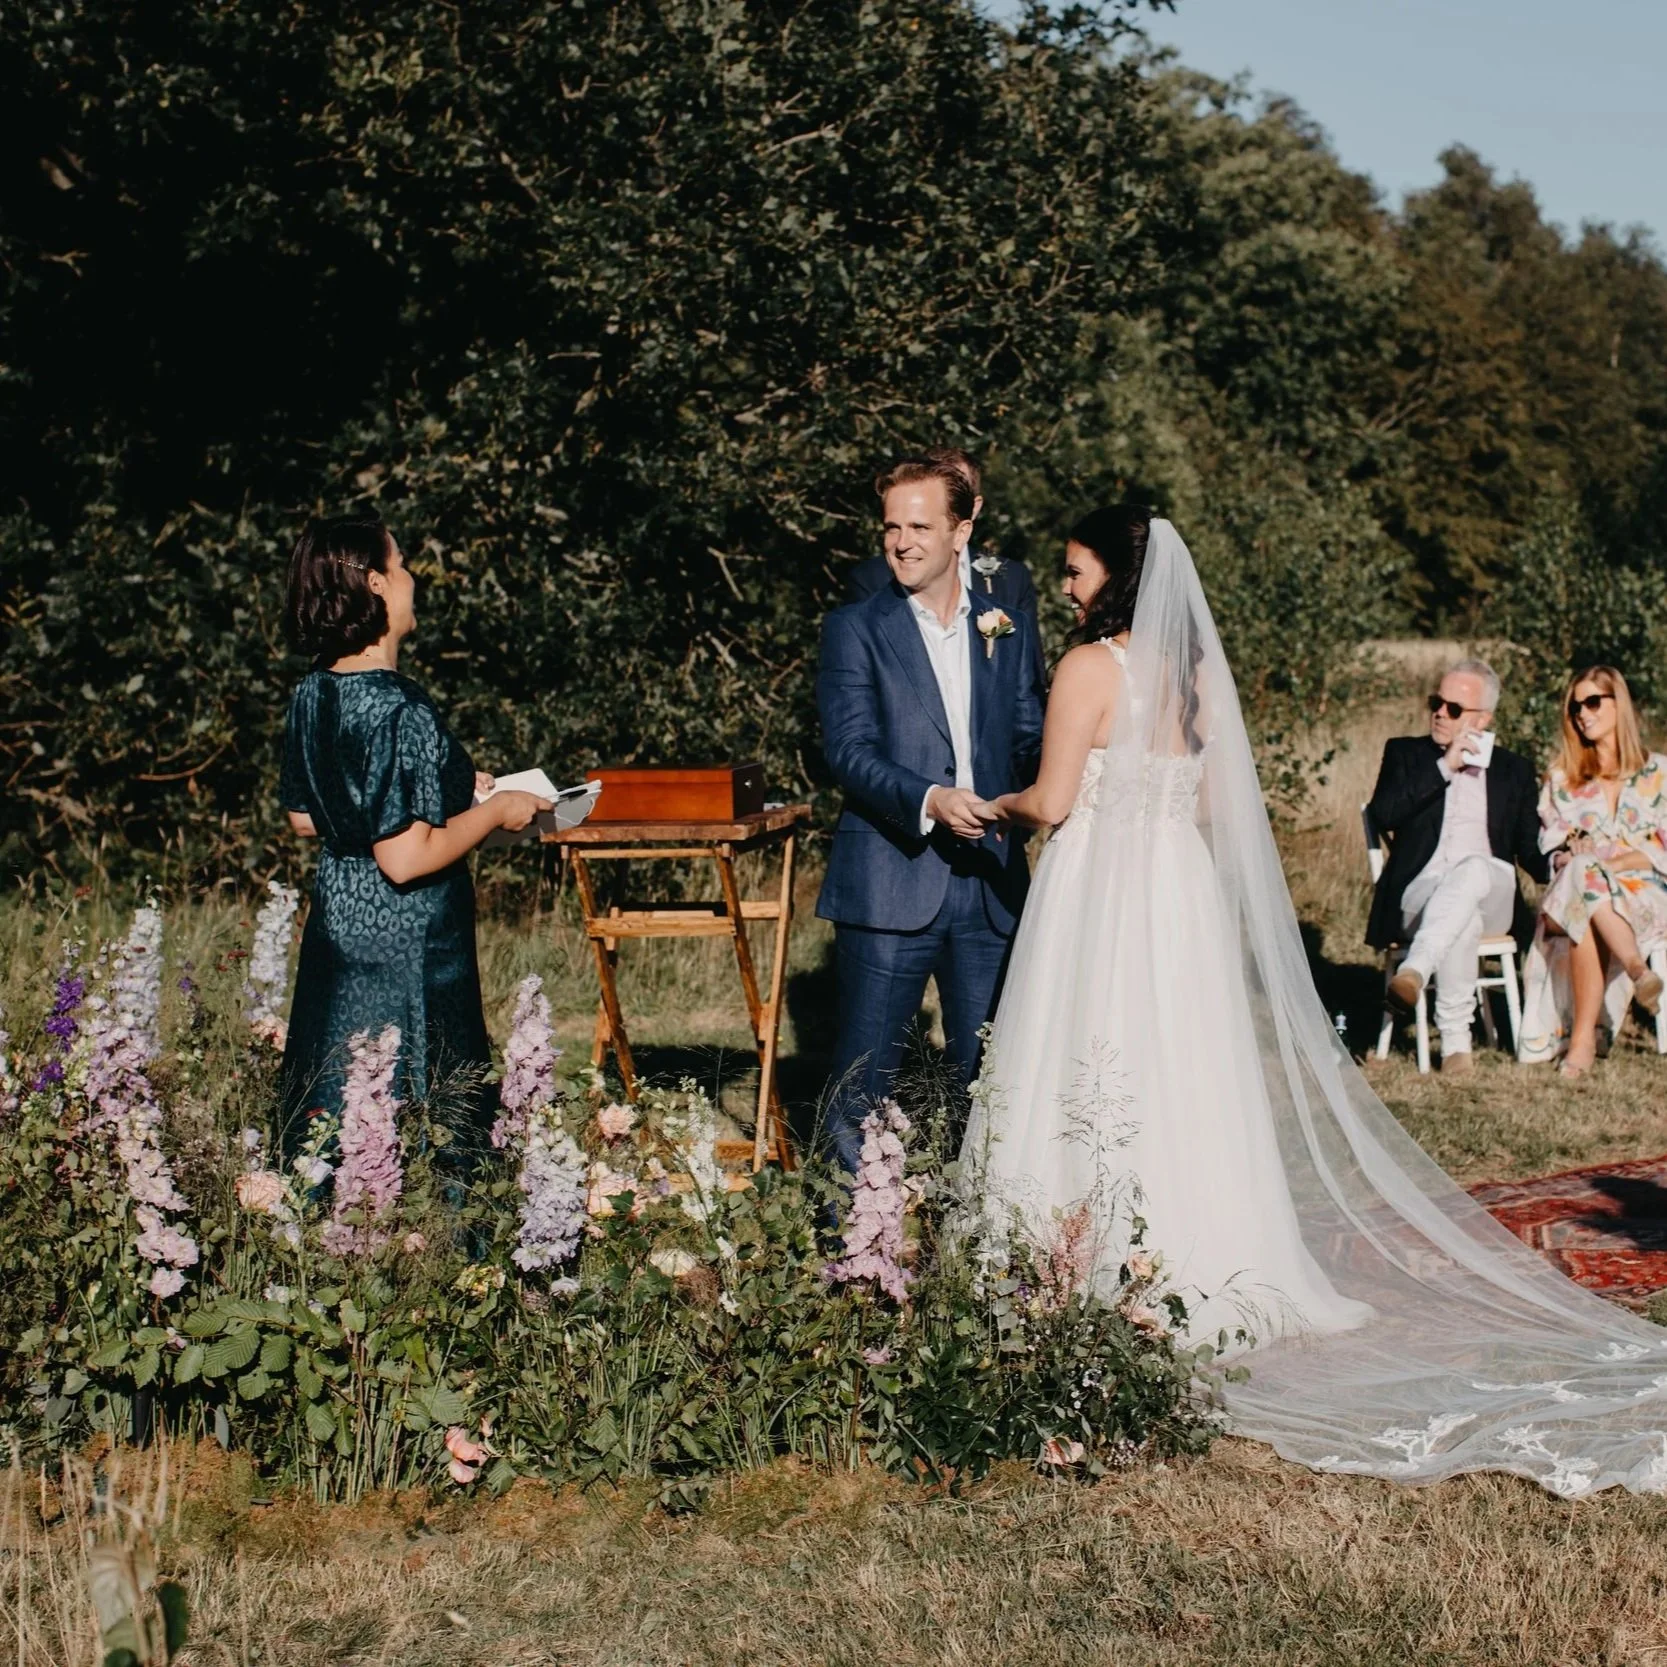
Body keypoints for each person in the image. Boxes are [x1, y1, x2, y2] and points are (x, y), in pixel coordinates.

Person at [965, 512, 1667, 1499]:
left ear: (1114, 579)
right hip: (1173, 887)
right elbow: (1213, 806)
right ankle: (1203, 1256)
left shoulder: (1089, 666)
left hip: (1102, 885)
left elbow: (1049, 798)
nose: (1067, 589)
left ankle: (1080, 1255)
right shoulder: (1195, 676)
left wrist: (979, 803)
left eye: (1075, 572)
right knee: (1178, 1064)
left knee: (1090, 1051)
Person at [277, 515, 550, 1158]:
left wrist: (447, 790)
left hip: (340, 925)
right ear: (375, 584)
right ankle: (428, 1239)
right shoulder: (400, 706)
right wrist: (496, 810)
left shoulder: (312, 691)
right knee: (417, 1102)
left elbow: (304, 814)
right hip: (410, 941)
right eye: (400, 566)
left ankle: (321, 1233)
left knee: (335, 1087)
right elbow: (403, 858)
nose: (411, 577)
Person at [816, 455, 1044, 1172]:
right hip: (889, 883)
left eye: (919, 525)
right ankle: (850, 1256)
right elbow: (846, 752)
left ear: (961, 529)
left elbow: (1029, 733)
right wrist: (930, 800)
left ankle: (968, 1244)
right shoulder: (855, 626)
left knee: (988, 1083)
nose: (901, 541)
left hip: (991, 886)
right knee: (863, 1081)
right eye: (891, 526)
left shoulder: (1003, 624)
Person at [1364, 659, 1548, 1073]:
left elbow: (1527, 850)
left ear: (1483, 718)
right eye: (1436, 702)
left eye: (1454, 708)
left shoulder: (1513, 770)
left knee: (1475, 869)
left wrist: (1562, 858)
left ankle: (1415, 970)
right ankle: (1456, 1044)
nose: (1440, 713)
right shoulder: (1406, 754)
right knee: (1459, 913)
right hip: (1421, 891)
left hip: (1493, 892)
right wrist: (1444, 767)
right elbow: (1383, 815)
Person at [1518, 666, 1667, 1073]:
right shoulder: (1562, 779)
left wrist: (1613, 864)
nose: (1583, 713)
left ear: (1619, 704)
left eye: (1593, 702)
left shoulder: (1659, 773)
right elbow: (1553, 850)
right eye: (1575, 706)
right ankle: (1637, 969)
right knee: (1583, 878)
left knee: (1587, 892)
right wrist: (1571, 856)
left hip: (1644, 894)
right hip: (1576, 891)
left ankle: (1581, 1042)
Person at [843, 446, 1037, 617]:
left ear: (975, 507)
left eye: (959, 492)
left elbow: (1027, 657)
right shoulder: (871, 580)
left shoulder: (1011, 579)